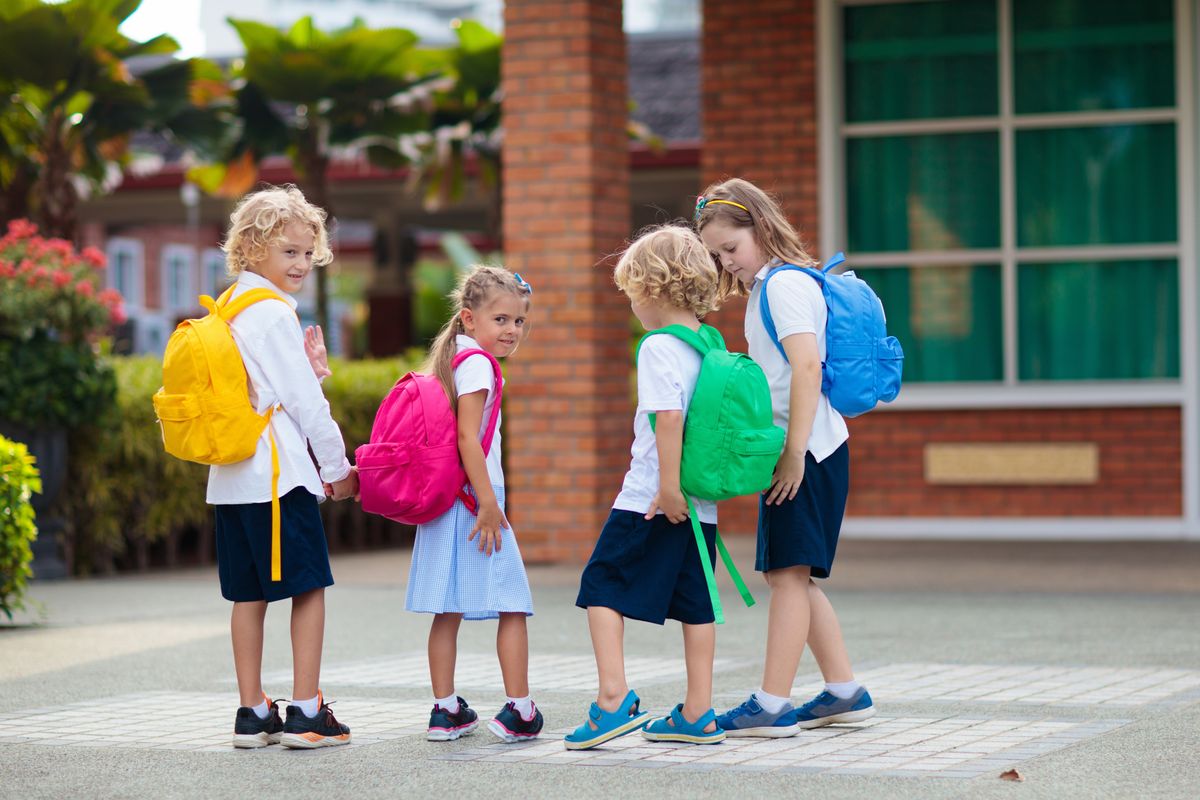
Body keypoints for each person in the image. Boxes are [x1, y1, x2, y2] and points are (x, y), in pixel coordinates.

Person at [696, 178, 875, 737]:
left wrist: (792, 453)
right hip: (809, 447)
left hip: (808, 450)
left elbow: (805, 367)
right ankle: (844, 691)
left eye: (732, 248)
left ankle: (771, 703)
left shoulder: (781, 286)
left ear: (761, 228)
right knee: (793, 573)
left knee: (786, 574)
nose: (728, 262)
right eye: (717, 255)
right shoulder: (771, 287)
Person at [208, 185, 357, 749]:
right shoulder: (272, 315)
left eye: (306, 252)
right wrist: (338, 467)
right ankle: (306, 711)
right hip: (278, 476)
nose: (300, 264)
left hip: (231, 478)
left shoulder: (228, 307)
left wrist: (309, 372)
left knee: (248, 595)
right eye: (287, 252)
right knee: (309, 587)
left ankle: (253, 712)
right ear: (250, 249)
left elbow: (263, 390)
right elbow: (305, 408)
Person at [566, 225, 726, 750]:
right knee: (698, 604)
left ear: (653, 289)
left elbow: (669, 420)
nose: (632, 304)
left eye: (633, 292)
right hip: (702, 505)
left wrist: (668, 487)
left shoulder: (659, 346)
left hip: (652, 498)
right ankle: (699, 711)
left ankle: (613, 700)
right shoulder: (709, 344)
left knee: (601, 586)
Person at [405, 266, 542, 743]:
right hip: (477, 501)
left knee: (448, 609)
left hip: (447, 501)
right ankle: (520, 710)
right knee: (512, 604)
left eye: (519, 322)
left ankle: (445, 710)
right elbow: (468, 437)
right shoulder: (480, 364)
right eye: (501, 319)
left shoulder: (452, 359)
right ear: (469, 318)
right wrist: (488, 503)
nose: (511, 331)